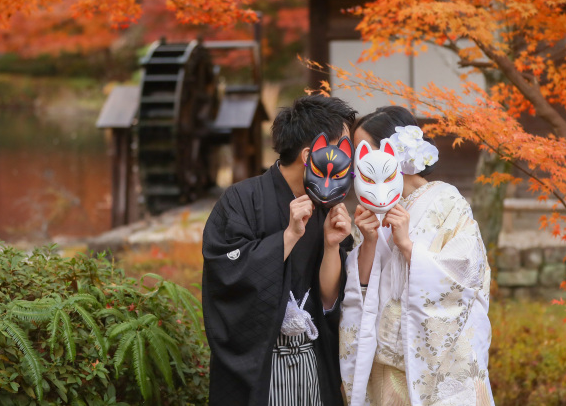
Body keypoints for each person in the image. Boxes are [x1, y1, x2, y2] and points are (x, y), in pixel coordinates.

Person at [202, 95, 357, 406]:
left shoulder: (327, 207)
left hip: (313, 358)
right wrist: (288, 237)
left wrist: (331, 246)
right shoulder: (240, 200)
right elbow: (226, 276)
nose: (347, 157)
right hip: (260, 365)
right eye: (342, 147)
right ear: (309, 155)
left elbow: (330, 300)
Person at [340, 106, 495, 406]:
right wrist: (369, 242)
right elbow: (358, 290)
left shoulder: (447, 200)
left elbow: (466, 275)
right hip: (384, 360)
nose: (359, 160)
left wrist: (408, 246)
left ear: (392, 151)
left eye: (364, 150)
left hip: (440, 362)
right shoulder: (369, 211)